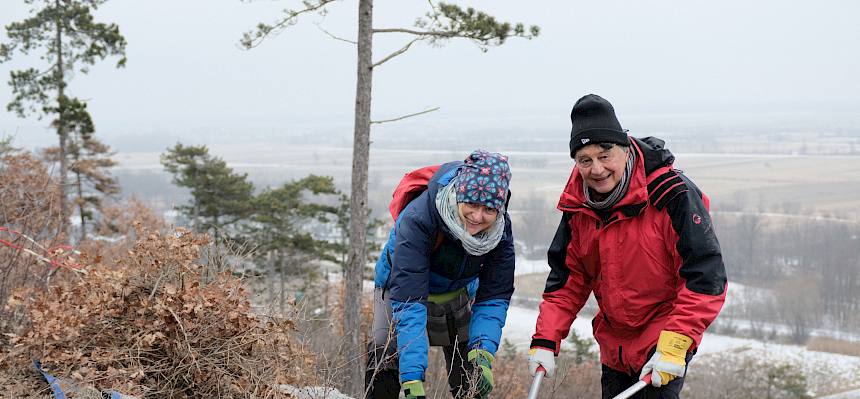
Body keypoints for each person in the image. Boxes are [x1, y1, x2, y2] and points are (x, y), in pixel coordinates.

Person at [527, 94, 727, 398]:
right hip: (614, 344)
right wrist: (545, 339)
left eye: (605, 155)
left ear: (625, 149)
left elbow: (705, 277)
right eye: (585, 160)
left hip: (665, 336)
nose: (596, 169)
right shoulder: (579, 206)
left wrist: (675, 344)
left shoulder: (671, 195)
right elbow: (569, 279)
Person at [365, 150, 516, 399]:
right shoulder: (419, 218)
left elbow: (494, 296)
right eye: (472, 204)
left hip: (456, 290)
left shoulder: (500, 231)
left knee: (471, 370)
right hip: (401, 290)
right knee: (386, 354)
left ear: (500, 209)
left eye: (489, 209)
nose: (478, 217)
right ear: (458, 195)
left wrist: (484, 352)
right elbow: (409, 301)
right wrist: (412, 376)